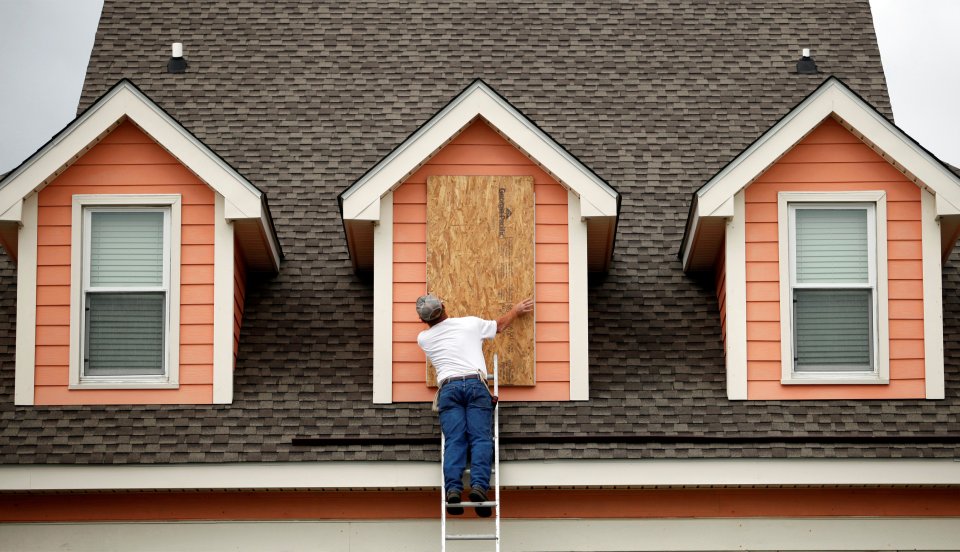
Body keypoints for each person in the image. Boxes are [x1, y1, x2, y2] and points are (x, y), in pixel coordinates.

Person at [415, 294, 534, 517]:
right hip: (475, 385)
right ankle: (479, 487)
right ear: (444, 306)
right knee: (479, 438)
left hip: (448, 390)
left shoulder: (423, 339)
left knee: (455, 440)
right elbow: (498, 326)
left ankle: (452, 490)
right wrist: (516, 310)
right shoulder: (470, 324)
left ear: (424, 321)